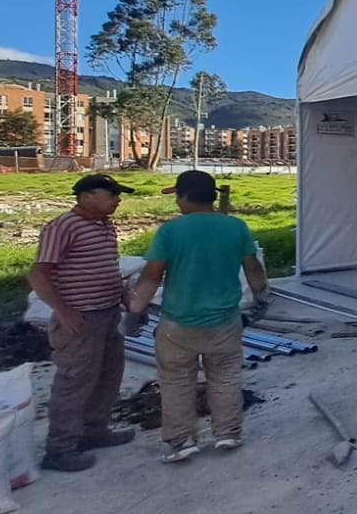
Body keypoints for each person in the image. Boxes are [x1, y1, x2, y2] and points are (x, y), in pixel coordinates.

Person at [128, 170, 268, 463]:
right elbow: (253, 267)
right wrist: (260, 296)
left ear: (186, 196)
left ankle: (182, 441)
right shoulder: (236, 227)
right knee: (226, 377)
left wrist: (135, 310)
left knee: (176, 381)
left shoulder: (170, 231)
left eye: (177, 196)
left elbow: (152, 275)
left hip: (178, 323)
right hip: (225, 321)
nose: (176, 202)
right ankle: (228, 433)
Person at [29, 174, 139, 472]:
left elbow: (108, 267)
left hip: (108, 312)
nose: (118, 200)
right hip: (80, 317)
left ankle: (94, 431)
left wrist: (123, 295)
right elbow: (39, 273)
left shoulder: (105, 226)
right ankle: (60, 448)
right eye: (111, 194)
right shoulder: (62, 226)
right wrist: (62, 310)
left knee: (108, 374)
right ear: (87, 196)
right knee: (74, 381)